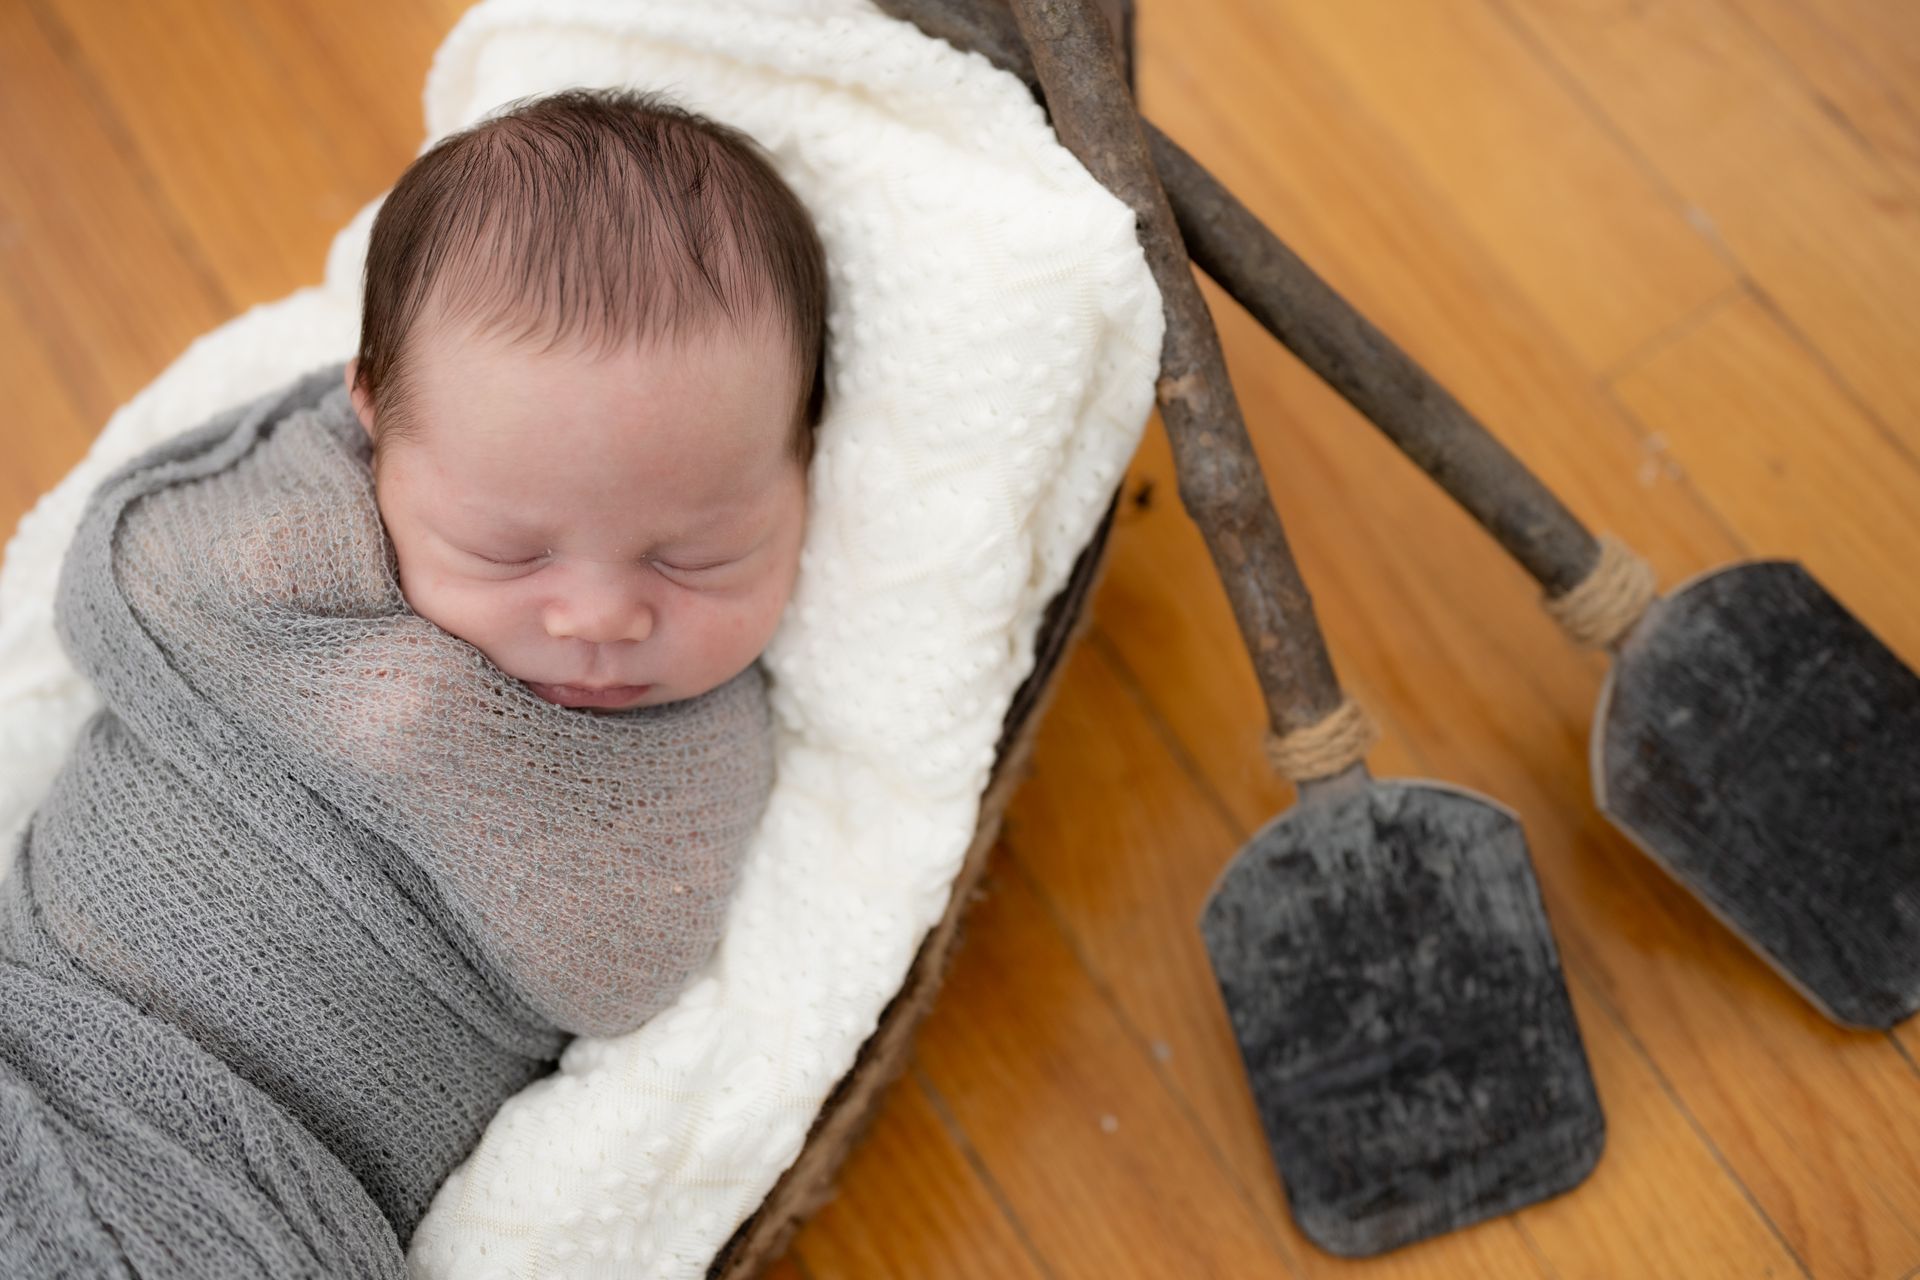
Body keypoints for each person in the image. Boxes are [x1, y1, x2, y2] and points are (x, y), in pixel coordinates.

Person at [0, 85, 831, 1276]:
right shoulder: (296, 528)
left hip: (233, 1190)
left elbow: (628, 949)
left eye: (697, 555)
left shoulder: (697, 750)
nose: (598, 616)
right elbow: (144, 575)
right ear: (371, 429)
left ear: (803, 463)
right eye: (509, 549)